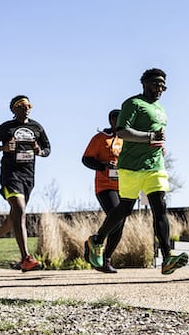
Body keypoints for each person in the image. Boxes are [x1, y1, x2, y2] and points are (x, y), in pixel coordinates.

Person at [84, 69, 188, 275]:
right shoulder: (132, 104)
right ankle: (96, 240)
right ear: (144, 84)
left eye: (163, 86)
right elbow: (123, 131)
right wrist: (150, 136)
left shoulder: (160, 109)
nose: (160, 89)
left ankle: (167, 256)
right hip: (131, 166)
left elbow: (156, 134)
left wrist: (158, 144)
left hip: (155, 165)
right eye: (156, 84)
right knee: (124, 209)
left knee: (160, 207)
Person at [0, 95, 51, 272]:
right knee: (20, 210)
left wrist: (39, 151)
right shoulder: (7, 128)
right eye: (22, 105)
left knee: (15, 216)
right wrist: (2, 148)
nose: (26, 107)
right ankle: (26, 258)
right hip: (10, 174)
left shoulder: (37, 127)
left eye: (29, 105)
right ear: (13, 109)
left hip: (28, 176)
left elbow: (48, 149)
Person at [81, 109, 123, 273]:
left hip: (125, 186)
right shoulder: (100, 138)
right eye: (117, 120)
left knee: (120, 224)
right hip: (105, 186)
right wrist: (104, 165)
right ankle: (96, 241)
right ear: (111, 121)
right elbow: (86, 159)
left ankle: (105, 260)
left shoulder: (128, 140)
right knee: (116, 216)